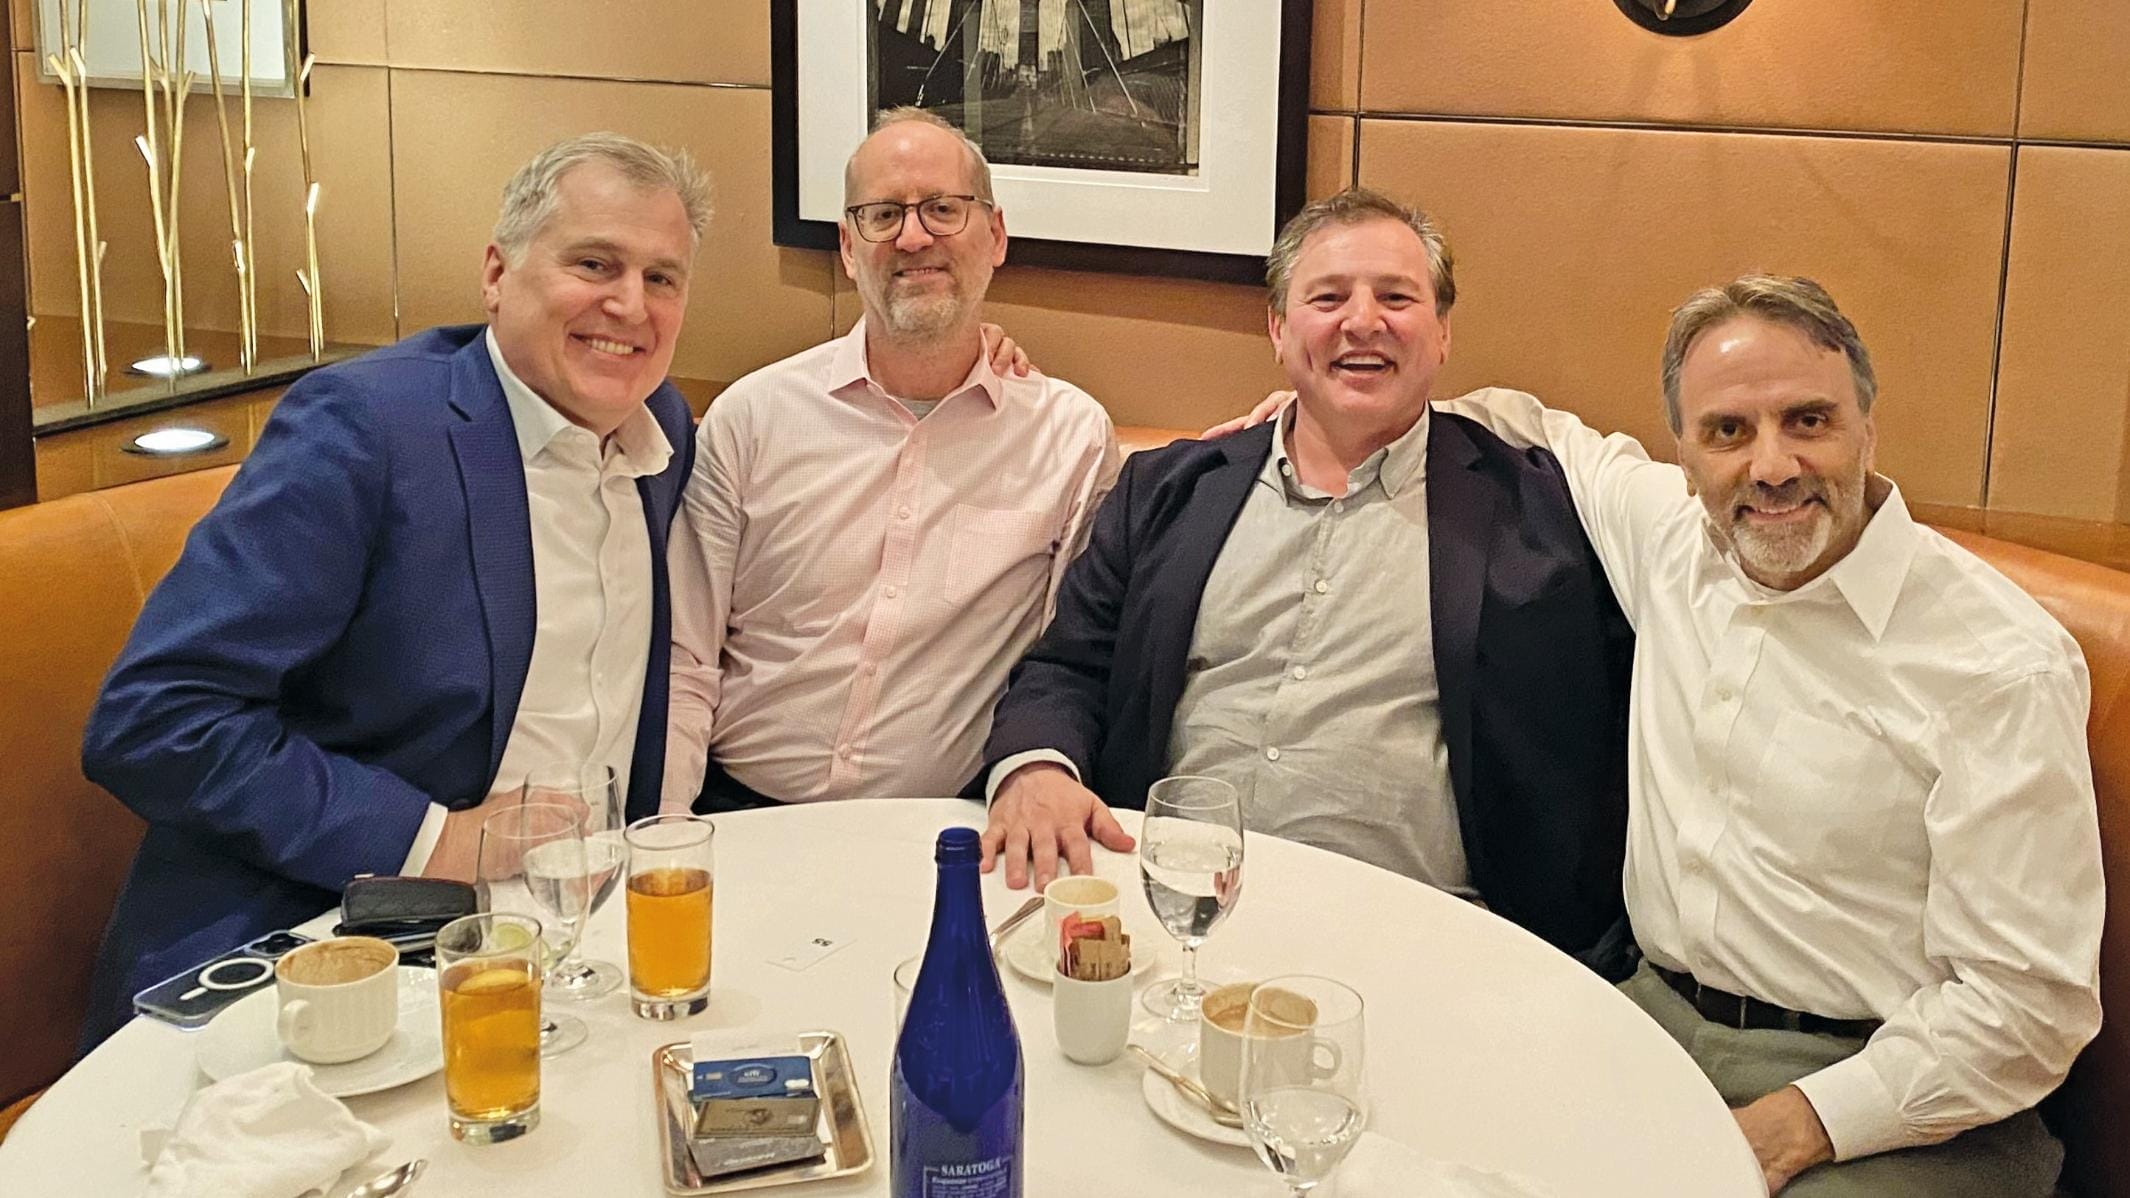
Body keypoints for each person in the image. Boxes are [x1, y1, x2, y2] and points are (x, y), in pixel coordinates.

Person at [1437, 275, 2103, 1196]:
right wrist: (1321, 416)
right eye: (1728, 432)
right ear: (1684, 453)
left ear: (1869, 428)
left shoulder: (1999, 663)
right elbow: (1542, 429)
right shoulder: (1675, 542)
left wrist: (1803, 1124)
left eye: (1809, 421)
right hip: (1651, 1023)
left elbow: (2029, 1008)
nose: (1772, 465)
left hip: (1901, 1100)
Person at [76, 133, 710, 1049]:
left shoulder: (662, 432)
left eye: (663, 278)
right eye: (595, 263)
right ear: (498, 272)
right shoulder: (370, 430)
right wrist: (432, 842)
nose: (629, 305)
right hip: (325, 955)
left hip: (570, 959)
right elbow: (155, 719)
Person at [976, 187, 1635, 973]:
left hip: (1423, 945)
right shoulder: (1169, 489)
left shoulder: (1542, 507)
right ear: (1280, 331)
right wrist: (1039, 766)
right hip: (1165, 917)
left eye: (1397, 297)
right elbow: (1066, 667)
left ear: (1443, 333)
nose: (1363, 322)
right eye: (1328, 299)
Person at [661, 108, 1116, 810]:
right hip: (738, 811)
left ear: (995, 235)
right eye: (881, 215)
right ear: (848, 246)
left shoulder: (1070, 439)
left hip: (945, 833)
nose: (913, 236)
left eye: (943, 209)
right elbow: (685, 662)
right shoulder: (752, 419)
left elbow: (1068, 668)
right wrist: (668, 836)